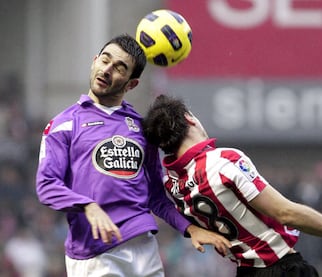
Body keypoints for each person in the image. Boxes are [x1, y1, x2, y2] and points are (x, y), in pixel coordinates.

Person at [35, 34, 230, 277]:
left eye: (119, 68)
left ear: (131, 84)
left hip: (144, 247)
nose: (107, 70)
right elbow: (46, 186)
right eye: (105, 60)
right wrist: (88, 206)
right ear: (94, 61)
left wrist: (190, 228)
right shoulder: (63, 124)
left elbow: (156, 198)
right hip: (95, 252)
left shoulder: (141, 128)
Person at [142, 94, 322, 277]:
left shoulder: (173, 183)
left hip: (246, 270)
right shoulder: (222, 161)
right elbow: (285, 212)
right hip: (281, 268)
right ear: (189, 119)